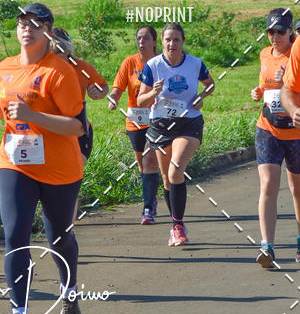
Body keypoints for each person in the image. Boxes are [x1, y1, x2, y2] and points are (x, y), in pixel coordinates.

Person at [0, 2, 85, 314]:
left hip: (59, 169)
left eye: (35, 23)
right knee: (15, 236)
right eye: (22, 22)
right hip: (14, 163)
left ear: (47, 31)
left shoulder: (59, 72)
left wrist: (33, 115)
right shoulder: (3, 68)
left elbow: (76, 127)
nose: (27, 27)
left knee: (58, 238)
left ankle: (69, 291)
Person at [137, 22, 215, 246]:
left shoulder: (194, 64)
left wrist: (202, 97)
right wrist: (153, 92)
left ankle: (178, 226)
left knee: (175, 170)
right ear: (161, 41)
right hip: (161, 124)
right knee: (167, 180)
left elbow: (210, 85)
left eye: (176, 40)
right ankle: (175, 226)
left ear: (183, 42)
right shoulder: (152, 66)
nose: (172, 44)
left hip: (188, 123)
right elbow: (140, 100)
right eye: (168, 39)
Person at [254, 8, 300, 266]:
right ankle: (267, 247)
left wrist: (288, 81)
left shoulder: (299, 54)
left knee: (298, 189)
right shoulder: (264, 54)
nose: (274, 37)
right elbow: (264, 84)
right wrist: (258, 90)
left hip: (297, 133)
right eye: (270, 32)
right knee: (268, 185)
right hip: (268, 129)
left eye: (280, 32)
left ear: (290, 32)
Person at [49, 27, 108, 218]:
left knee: (71, 180)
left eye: (62, 52)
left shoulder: (82, 68)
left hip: (79, 132)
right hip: (49, 134)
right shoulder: (41, 70)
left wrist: (99, 92)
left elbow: (102, 85)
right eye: (54, 52)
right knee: (53, 183)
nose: (60, 57)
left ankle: (67, 228)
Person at [108, 25, 161, 224]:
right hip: (136, 118)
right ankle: (152, 195)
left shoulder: (161, 62)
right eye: (139, 38)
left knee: (150, 159)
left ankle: (148, 208)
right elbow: (118, 87)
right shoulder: (129, 62)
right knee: (142, 164)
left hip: (159, 118)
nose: (141, 42)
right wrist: (113, 99)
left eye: (146, 38)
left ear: (155, 42)